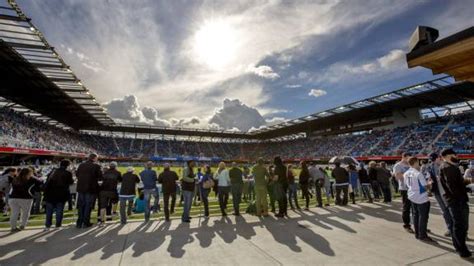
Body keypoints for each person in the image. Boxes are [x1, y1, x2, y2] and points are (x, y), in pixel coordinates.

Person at [439, 148, 472, 258]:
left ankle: (459, 247)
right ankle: (462, 250)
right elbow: (452, 187)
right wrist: (462, 196)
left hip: (454, 200)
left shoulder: (447, 167)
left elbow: (456, 184)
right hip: (457, 201)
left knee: (457, 225)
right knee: (460, 226)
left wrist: (467, 184)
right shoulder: (449, 168)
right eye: (455, 155)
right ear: (448, 156)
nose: (456, 157)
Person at [404, 157, 434, 242]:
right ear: (416, 162)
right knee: (423, 217)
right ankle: (422, 235)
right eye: (418, 162)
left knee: (415, 215)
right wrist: (430, 183)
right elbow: (425, 187)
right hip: (421, 197)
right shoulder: (418, 173)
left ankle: (418, 233)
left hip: (412, 195)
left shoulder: (406, 173)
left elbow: (407, 185)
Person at [426, 153, 452, 237]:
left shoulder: (445, 165)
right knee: (444, 211)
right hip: (436, 191)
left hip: (445, 192)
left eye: (434, 160)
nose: (432, 162)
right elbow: (428, 177)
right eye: (431, 160)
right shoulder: (430, 166)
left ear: (438, 158)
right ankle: (450, 228)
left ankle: (457, 229)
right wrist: (429, 180)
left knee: (451, 210)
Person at [43, 160, 74, 230]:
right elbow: (71, 182)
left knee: (49, 211)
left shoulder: (53, 171)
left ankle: (47, 226)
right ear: (68, 165)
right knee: (59, 210)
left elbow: (48, 181)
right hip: (61, 193)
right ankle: (58, 225)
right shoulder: (68, 173)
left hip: (50, 193)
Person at [9, 168, 42, 232]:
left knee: (14, 213)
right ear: (29, 173)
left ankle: (13, 227)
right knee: (25, 213)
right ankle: (22, 225)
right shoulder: (31, 179)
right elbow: (40, 182)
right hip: (26, 198)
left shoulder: (15, 178)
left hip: (13, 198)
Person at [75, 153, 102, 228]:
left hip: (81, 188)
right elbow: (100, 177)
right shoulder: (96, 166)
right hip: (90, 188)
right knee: (88, 205)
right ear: (94, 158)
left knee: (81, 205)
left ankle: (79, 222)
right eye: (97, 158)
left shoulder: (81, 165)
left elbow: (77, 174)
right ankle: (86, 222)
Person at [393, 152, 414, 233]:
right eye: (408, 158)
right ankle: (407, 225)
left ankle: (420, 225)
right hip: (405, 189)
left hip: (413, 188)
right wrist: (409, 175)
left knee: (415, 208)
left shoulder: (410, 165)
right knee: (407, 207)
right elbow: (397, 177)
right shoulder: (398, 165)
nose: (409, 160)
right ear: (404, 157)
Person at [98, 161, 121, 226]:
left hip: (103, 191)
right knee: (116, 200)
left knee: (103, 207)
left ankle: (102, 222)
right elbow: (120, 180)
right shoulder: (117, 172)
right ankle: (114, 212)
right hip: (112, 191)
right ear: (116, 166)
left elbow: (102, 179)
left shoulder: (105, 172)